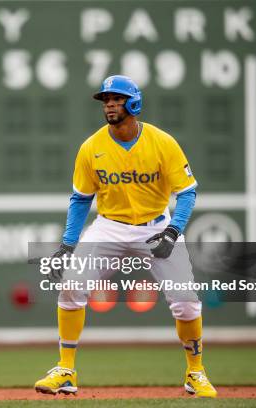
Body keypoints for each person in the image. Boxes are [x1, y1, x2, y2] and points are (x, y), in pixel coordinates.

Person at [33, 75, 217, 398]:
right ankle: (65, 370)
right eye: (106, 100)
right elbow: (80, 199)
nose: (110, 105)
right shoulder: (91, 147)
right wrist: (67, 244)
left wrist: (173, 232)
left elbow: (187, 193)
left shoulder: (162, 142)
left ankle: (195, 372)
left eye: (116, 98)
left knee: (186, 302)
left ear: (134, 103)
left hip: (157, 224)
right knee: (72, 285)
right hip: (110, 226)